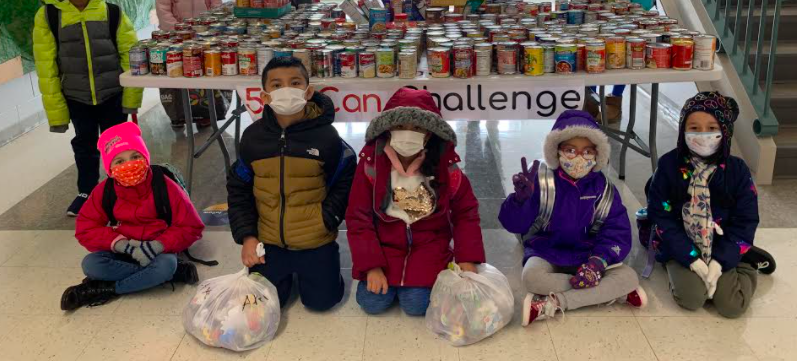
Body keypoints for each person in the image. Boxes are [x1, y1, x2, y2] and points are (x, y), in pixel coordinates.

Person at [227, 57, 356, 312]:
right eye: (276, 85)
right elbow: (239, 188)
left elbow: (345, 180)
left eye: (295, 83)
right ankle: (282, 271)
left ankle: (320, 268)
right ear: (264, 96)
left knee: (322, 303)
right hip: (269, 240)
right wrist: (249, 237)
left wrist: (327, 219)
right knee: (263, 305)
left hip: (314, 238)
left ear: (308, 92)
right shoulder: (253, 139)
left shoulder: (327, 138)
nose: (286, 90)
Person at [346, 87, 486, 316]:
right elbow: (358, 217)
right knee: (371, 303)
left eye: (418, 128)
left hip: (428, 248)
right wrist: (371, 266)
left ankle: (413, 285)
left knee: (416, 305)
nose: (408, 134)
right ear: (387, 129)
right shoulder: (371, 166)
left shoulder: (446, 168)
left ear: (430, 133)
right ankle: (388, 279)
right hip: (384, 250)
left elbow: (466, 213)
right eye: (400, 126)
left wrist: (468, 259)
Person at [499, 110, 646, 325]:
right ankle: (608, 293)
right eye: (570, 150)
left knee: (630, 276)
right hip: (547, 249)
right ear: (556, 152)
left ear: (597, 155)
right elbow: (514, 224)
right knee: (532, 278)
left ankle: (556, 302)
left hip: (590, 254)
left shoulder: (604, 189)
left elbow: (617, 232)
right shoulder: (541, 182)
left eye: (587, 151)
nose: (579, 158)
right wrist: (519, 201)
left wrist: (597, 263)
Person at [32, 0, 143, 217]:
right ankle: (87, 191)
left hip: (112, 94)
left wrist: (131, 99)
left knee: (119, 144)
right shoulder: (48, 16)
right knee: (85, 144)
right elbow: (46, 68)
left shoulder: (112, 13)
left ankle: (125, 188)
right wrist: (56, 113)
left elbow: (131, 58)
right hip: (76, 96)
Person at [645, 92, 772, 318]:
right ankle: (683, 265)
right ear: (682, 129)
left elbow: (746, 220)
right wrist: (691, 258)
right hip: (680, 244)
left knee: (731, 306)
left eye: (711, 127)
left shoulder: (737, 171)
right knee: (692, 298)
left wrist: (720, 262)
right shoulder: (668, 165)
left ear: (725, 131)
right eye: (693, 128)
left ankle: (746, 263)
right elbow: (659, 216)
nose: (702, 135)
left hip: (724, 243)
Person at [61, 122, 204, 311]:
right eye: (119, 161)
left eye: (135, 156)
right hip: (123, 252)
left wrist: (157, 245)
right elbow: (86, 228)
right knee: (90, 264)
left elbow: (191, 226)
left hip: (158, 252)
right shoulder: (104, 191)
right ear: (109, 168)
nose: (129, 165)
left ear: (145, 158)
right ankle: (171, 274)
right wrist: (122, 245)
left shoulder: (165, 186)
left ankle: (108, 288)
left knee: (165, 265)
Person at [156, 0, 225, 129]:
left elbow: (216, 5)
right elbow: (163, 11)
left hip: (203, 38)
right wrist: (180, 30)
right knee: (177, 76)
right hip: (176, 39)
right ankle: (177, 115)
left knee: (203, 76)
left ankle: (205, 113)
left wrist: (208, 27)